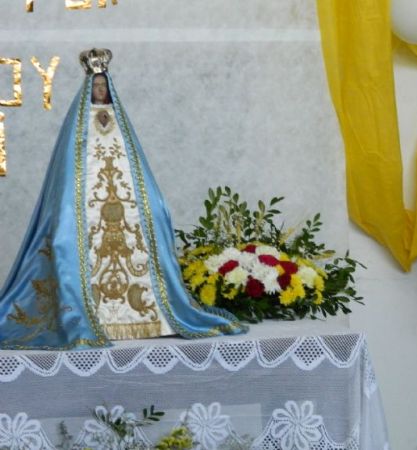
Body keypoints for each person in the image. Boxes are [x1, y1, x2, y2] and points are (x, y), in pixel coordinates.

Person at [0, 48, 246, 349]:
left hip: (122, 210)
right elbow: (65, 178)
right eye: (96, 86)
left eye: (104, 86)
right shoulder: (77, 127)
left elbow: (138, 173)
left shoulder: (121, 125)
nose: (101, 91)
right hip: (88, 209)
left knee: (154, 214)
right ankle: (89, 314)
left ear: (110, 89)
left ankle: (148, 312)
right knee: (68, 234)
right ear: (89, 89)